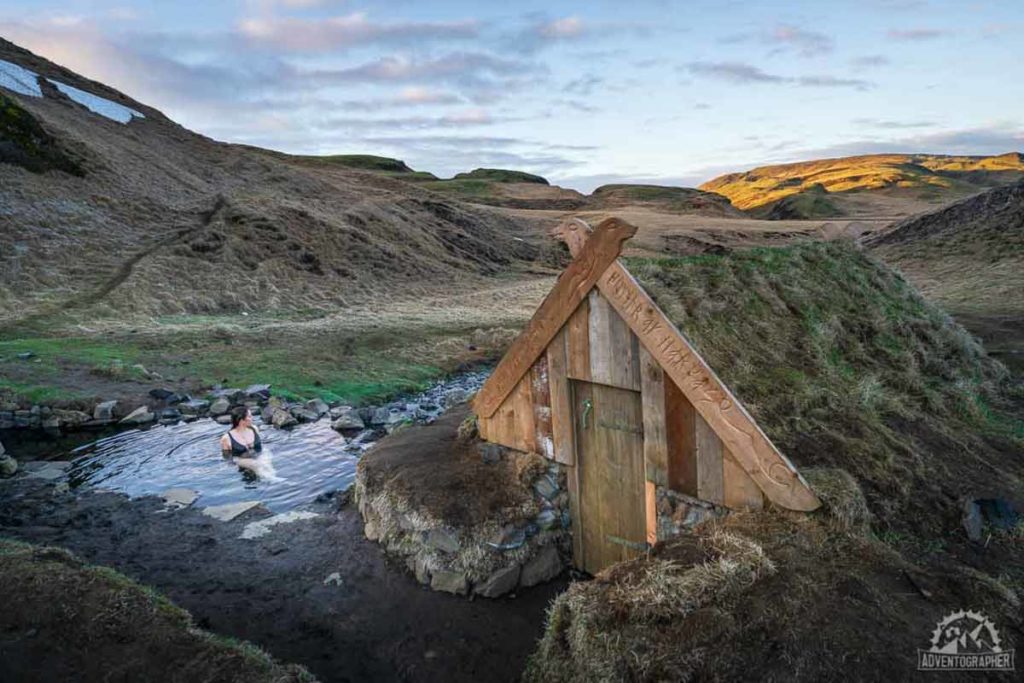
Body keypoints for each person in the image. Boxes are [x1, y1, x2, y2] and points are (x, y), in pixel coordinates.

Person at [220, 407, 279, 480]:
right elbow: (227, 457)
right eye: (249, 416)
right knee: (256, 465)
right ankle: (276, 481)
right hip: (240, 459)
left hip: (258, 454)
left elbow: (261, 445)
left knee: (266, 464)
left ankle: (274, 478)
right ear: (241, 420)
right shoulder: (226, 438)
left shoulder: (254, 428)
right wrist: (235, 464)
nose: (252, 418)